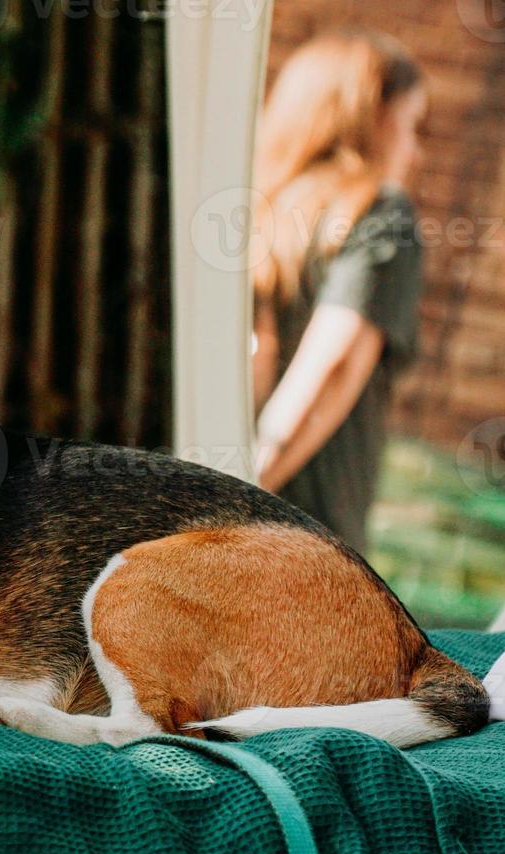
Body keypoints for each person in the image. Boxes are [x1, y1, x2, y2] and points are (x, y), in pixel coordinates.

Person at [251, 31, 427, 554]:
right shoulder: (382, 214)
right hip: (309, 545)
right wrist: (242, 485)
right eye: (413, 126)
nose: (416, 152)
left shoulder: (259, 213)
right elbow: (337, 366)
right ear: (373, 116)